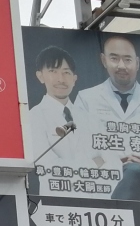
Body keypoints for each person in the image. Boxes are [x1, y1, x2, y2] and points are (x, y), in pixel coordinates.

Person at [76, 34, 140, 201]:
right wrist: (114, 165)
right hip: (104, 186)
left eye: (128, 59)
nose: (121, 65)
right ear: (104, 60)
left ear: (137, 63)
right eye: (114, 58)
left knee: (135, 172)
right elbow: (80, 149)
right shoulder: (86, 100)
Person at [26, 46, 92, 180]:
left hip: (94, 190)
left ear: (74, 79)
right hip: (57, 190)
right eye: (53, 71)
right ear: (40, 76)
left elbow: (107, 159)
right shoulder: (33, 117)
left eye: (66, 72)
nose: (61, 79)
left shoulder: (88, 117)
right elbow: (47, 164)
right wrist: (91, 164)